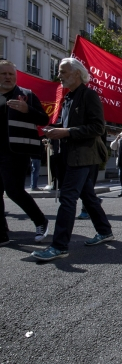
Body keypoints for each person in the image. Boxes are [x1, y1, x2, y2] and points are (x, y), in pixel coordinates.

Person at [32, 57, 113, 261]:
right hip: (70, 156)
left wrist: (66, 132)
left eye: (63, 71)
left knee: (68, 199)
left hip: (84, 157)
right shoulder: (68, 98)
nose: (59, 75)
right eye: (60, 71)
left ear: (77, 73)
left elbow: (97, 128)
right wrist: (54, 128)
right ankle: (105, 231)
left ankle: (59, 246)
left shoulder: (89, 95)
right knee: (88, 196)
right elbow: (65, 123)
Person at [0, 59, 50, 246]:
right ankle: (2, 232)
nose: (7, 77)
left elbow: (44, 119)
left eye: (11, 74)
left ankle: (40, 221)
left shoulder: (26, 95)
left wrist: (27, 109)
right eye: (3, 73)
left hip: (16, 152)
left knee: (14, 191)